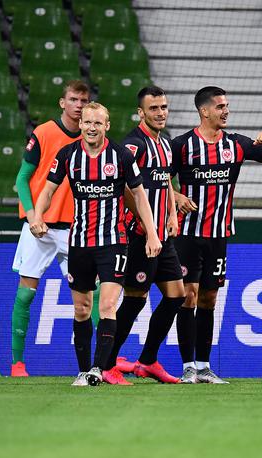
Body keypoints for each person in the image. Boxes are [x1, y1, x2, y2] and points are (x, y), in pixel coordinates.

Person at [30, 102, 162, 386]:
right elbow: (48, 190)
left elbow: (139, 196)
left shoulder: (121, 156)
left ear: (107, 126)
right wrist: (37, 216)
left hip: (113, 242)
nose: (92, 127)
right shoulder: (67, 155)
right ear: (81, 125)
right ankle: (82, 369)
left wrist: (152, 234)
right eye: (87, 122)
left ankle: (98, 370)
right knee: (81, 309)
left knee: (108, 306)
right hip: (79, 243)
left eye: (98, 123)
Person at [171, 86, 262, 384]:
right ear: (204, 111)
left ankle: (204, 366)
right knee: (188, 297)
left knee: (208, 298)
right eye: (220, 106)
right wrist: (176, 196)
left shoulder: (236, 144)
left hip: (218, 235)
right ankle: (187, 368)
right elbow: (154, 178)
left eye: (227, 105)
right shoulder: (181, 145)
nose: (226, 111)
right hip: (187, 234)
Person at [95, 86, 185, 385]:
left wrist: (172, 215)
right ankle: (107, 365)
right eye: (154, 108)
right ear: (140, 112)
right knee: (134, 300)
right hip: (139, 236)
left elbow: (166, 183)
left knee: (177, 296)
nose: (160, 113)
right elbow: (127, 189)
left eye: (164, 107)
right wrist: (149, 231)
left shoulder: (166, 144)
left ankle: (147, 360)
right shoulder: (134, 145)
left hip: (163, 236)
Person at [11, 80, 90, 377]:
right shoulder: (44, 133)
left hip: (75, 229)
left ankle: (99, 364)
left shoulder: (92, 137)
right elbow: (21, 179)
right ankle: (17, 364)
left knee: (87, 297)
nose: (79, 105)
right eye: (73, 99)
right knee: (26, 295)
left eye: (84, 100)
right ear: (62, 102)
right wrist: (33, 216)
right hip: (39, 228)